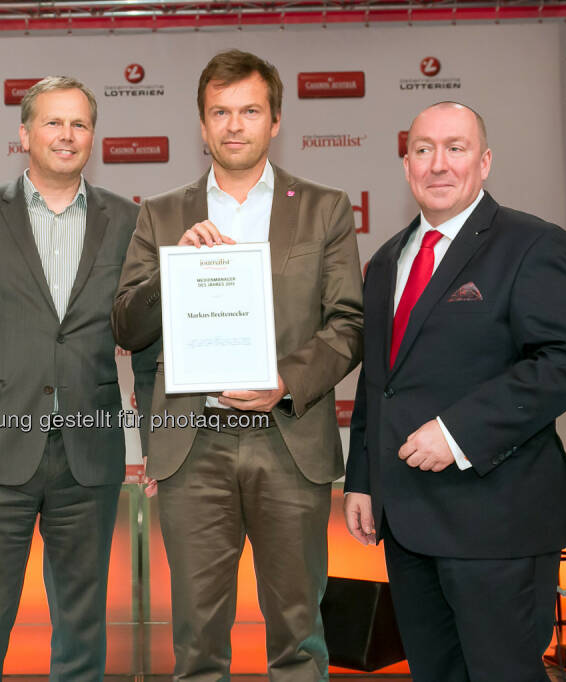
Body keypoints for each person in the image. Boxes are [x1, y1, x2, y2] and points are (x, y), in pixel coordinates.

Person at [113, 49, 364, 681]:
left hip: (289, 441)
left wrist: (286, 384)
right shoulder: (162, 214)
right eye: (219, 112)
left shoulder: (324, 208)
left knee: (299, 637)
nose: (233, 125)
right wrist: (173, 268)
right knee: (197, 643)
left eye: (249, 111)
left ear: (275, 120)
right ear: (201, 125)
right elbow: (127, 327)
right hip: (194, 447)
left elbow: (349, 324)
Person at [344, 101, 566, 681]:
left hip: (497, 521)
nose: (438, 164)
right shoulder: (387, 260)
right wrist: (361, 479)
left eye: (455, 148)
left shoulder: (532, 244)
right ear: (406, 164)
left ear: (484, 163)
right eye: (423, 150)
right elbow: (379, 380)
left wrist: (457, 432)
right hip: (406, 521)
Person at [0, 76, 143, 681]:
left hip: (88, 453)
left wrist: (162, 447)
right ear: (24, 134)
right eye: (52, 122)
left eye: (79, 124)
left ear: (92, 137)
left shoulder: (127, 220)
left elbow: (149, 338)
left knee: (82, 626)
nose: (66, 135)